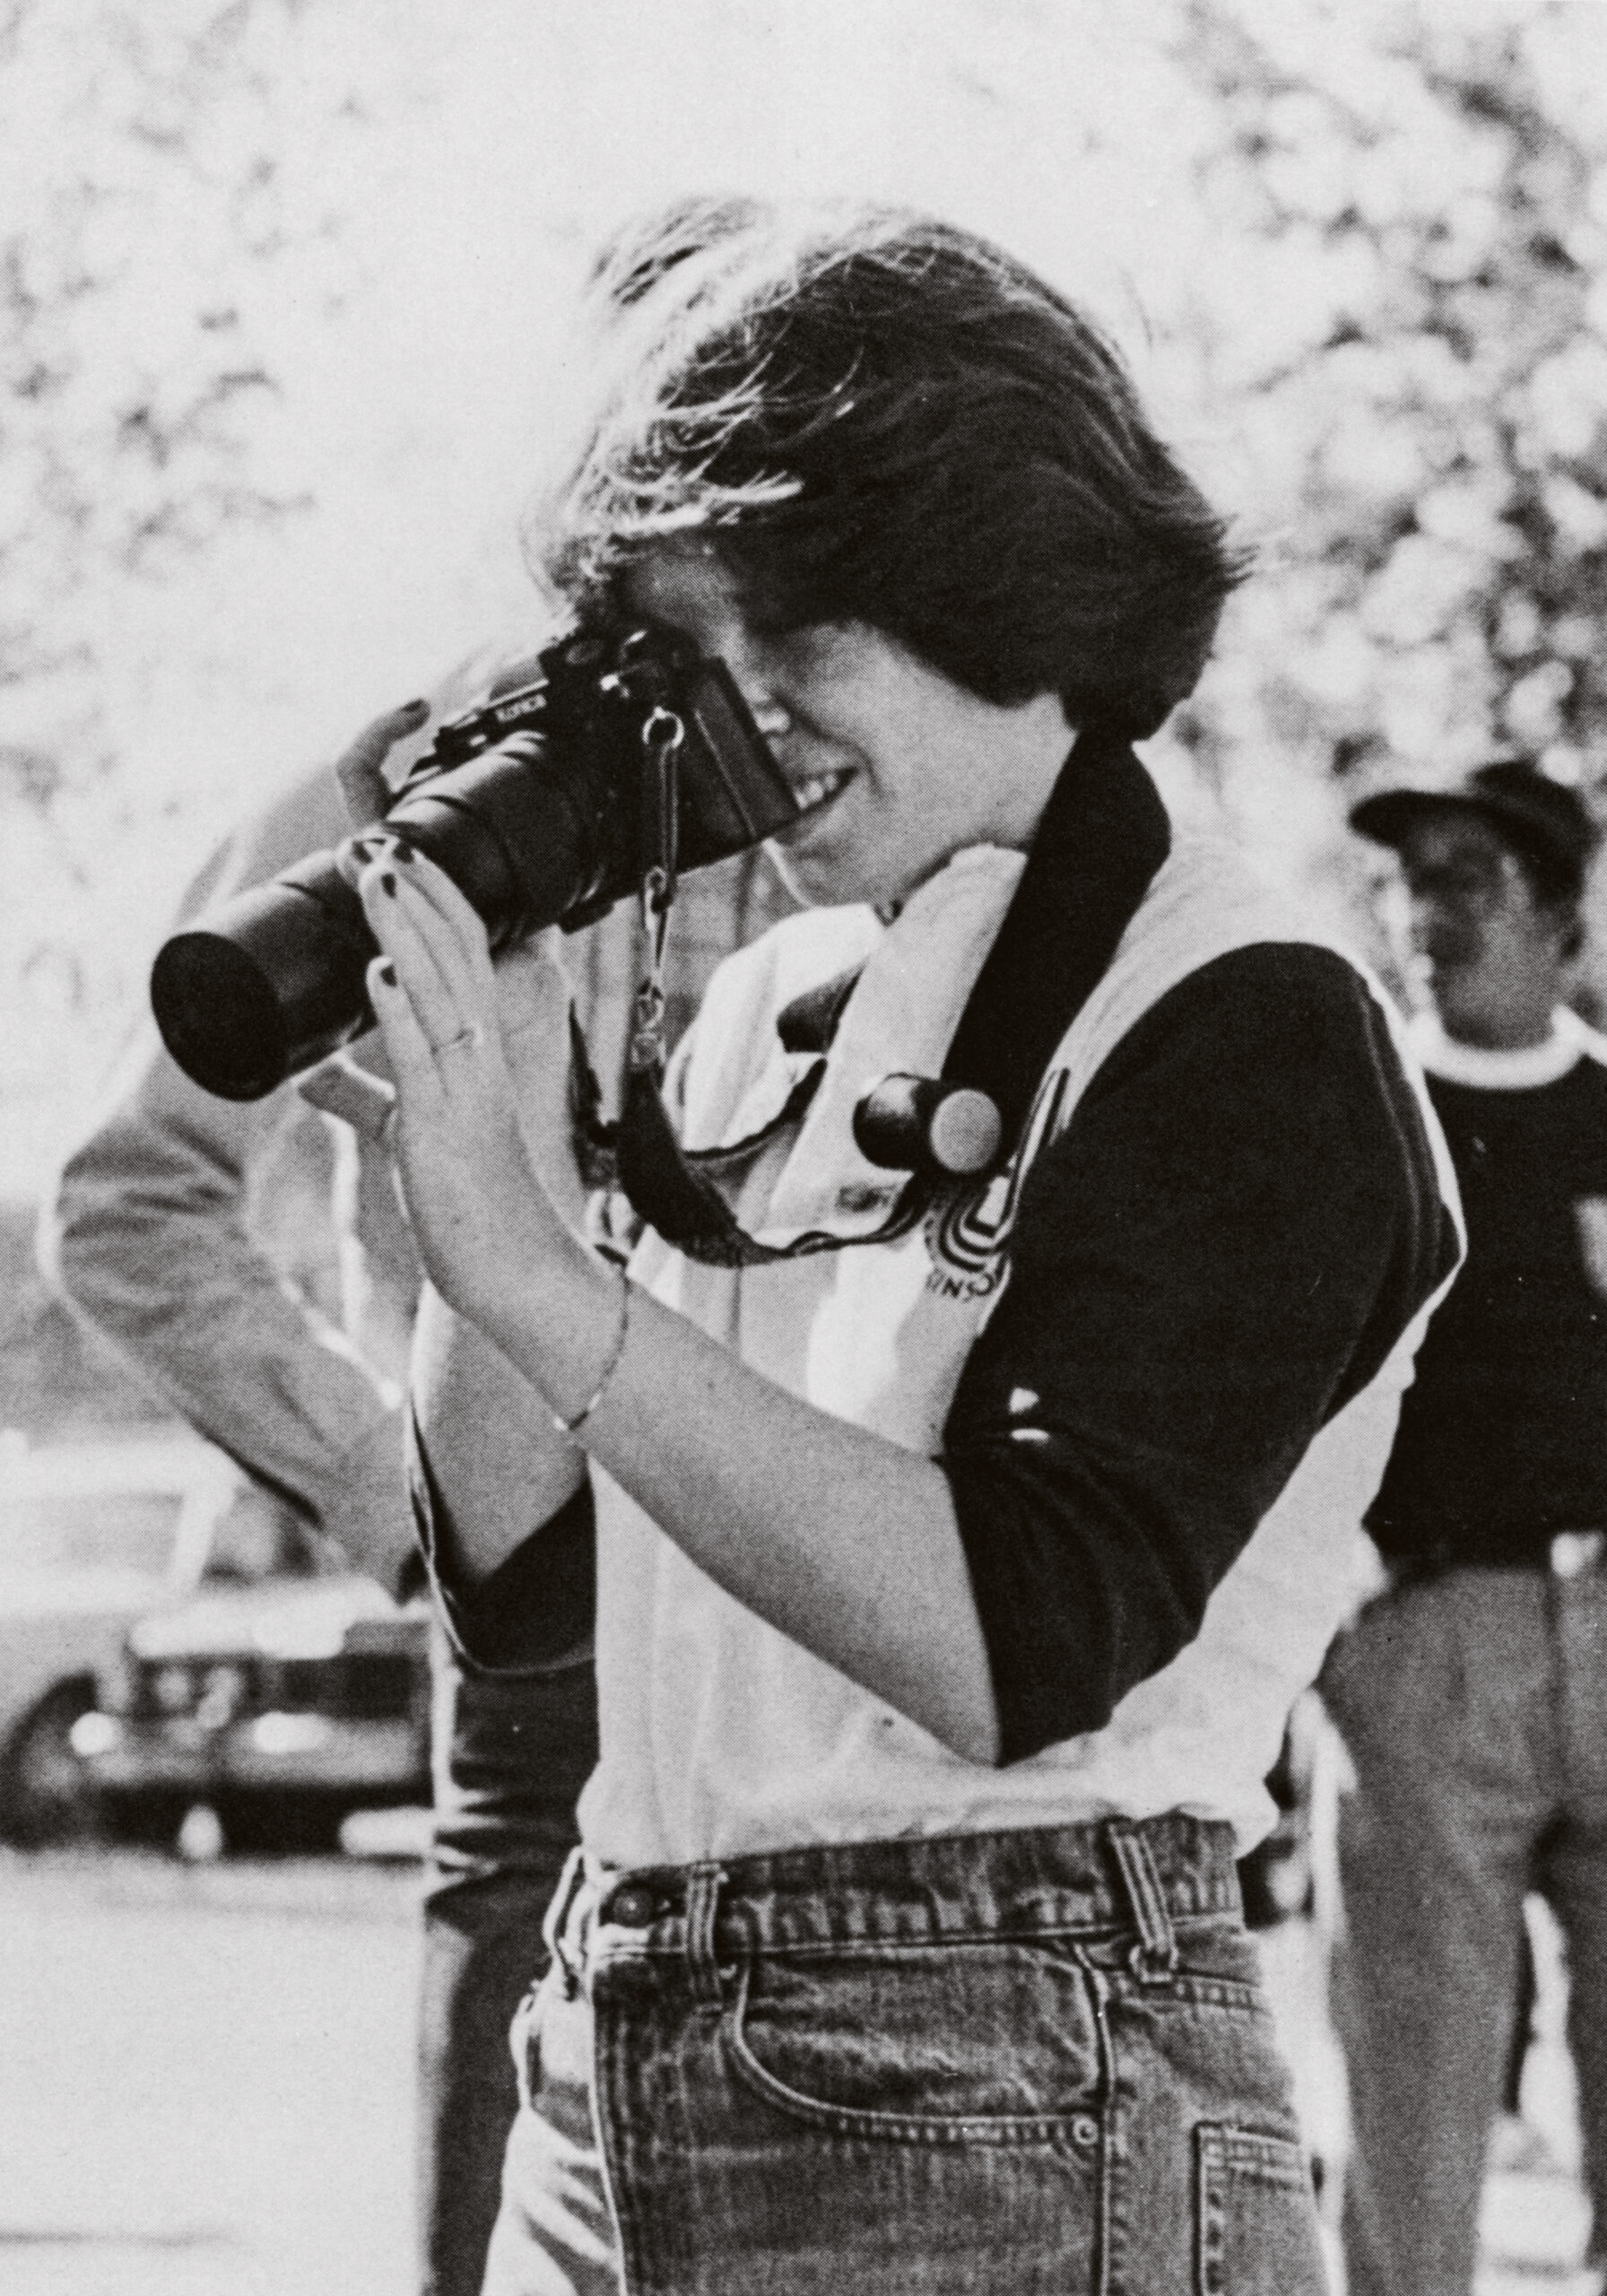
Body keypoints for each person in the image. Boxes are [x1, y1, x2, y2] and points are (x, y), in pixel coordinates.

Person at [335, 200, 1463, 2294]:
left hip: (1014, 2054)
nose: (743, 726)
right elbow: (532, 1588)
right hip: (622, 2035)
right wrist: (492, 1136)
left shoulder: (1249, 1010)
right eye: (691, 668)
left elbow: (1010, 1643)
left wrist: (552, 1286)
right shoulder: (783, 1001)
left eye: (790, 645)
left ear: (992, 578)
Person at [38, 700, 784, 2295]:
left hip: (827, 1593)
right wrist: (396, 1497)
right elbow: (129, 1203)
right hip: (535, 1631)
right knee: (508, 2221)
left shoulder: (866, 742)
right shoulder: (409, 787)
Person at [1328, 759, 1607, 2296]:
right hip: (1427, 1649)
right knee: (1414, 2128)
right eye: (1405, 881)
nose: (1421, 913)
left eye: (1466, 877)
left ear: (1562, 920)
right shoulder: (1357, 1116)